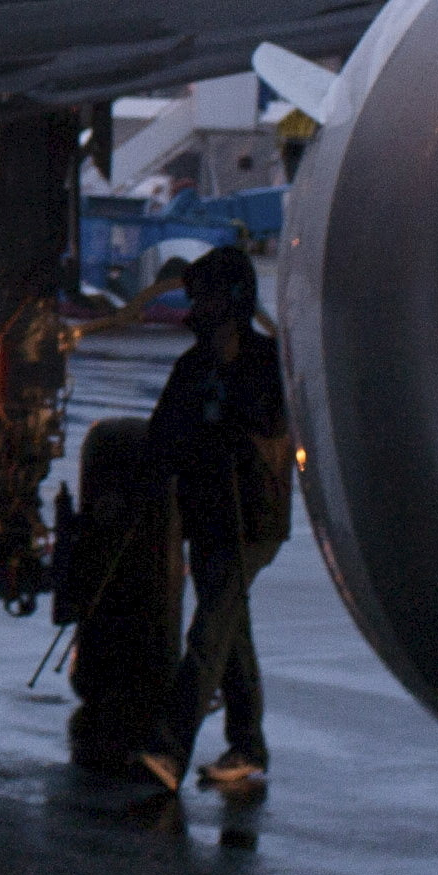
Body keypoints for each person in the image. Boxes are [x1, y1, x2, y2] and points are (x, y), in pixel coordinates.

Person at [138, 245, 292, 794]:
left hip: (253, 519)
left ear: (229, 302)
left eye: (202, 298)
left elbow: (272, 421)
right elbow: (161, 438)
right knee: (230, 627)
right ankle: (248, 745)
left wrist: (225, 411)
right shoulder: (192, 366)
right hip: (206, 516)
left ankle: (170, 747)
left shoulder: (267, 363)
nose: (193, 309)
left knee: (210, 628)